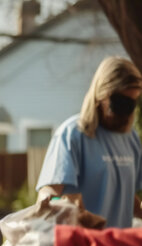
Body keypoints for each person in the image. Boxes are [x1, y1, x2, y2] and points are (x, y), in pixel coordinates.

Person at [37, 56, 142, 227]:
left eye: (132, 103)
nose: (126, 112)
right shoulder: (72, 135)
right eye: (120, 103)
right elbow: (48, 192)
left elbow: (127, 199)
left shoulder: (131, 139)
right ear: (101, 95)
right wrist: (54, 200)